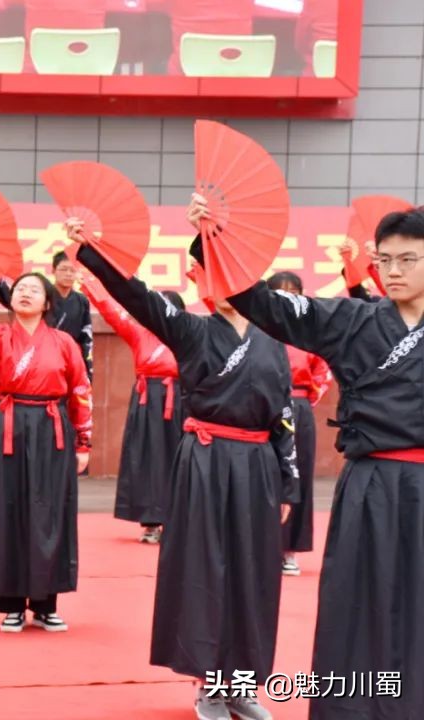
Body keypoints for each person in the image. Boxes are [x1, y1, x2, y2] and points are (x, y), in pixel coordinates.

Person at [71, 207, 298, 720]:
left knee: (253, 574)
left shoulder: (274, 340)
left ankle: (243, 684)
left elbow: (284, 416)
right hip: (207, 461)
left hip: (258, 467)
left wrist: (288, 482)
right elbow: (137, 296)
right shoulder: (191, 330)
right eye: (210, 267)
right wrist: (91, 251)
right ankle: (209, 687)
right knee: (206, 571)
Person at [220, 204, 424, 720]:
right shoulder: (350, 319)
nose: (394, 271)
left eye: (409, 260)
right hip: (371, 484)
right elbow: (259, 302)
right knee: (357, 603)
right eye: (386, 260)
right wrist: (216, 234)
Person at [0, 231, 92, 633]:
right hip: (10, 428)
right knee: (8, 510)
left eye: (34, 289)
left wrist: (83, 441)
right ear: (9, 299)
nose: (25, 293)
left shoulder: (65, 343)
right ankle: (11, 601)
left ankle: (46, 602)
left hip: (52, 430)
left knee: (50, 513)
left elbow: (80, 391)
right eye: (20, 289)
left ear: (49, 303)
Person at [81, 273, 184, 544]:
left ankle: (178, 520)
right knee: (147, 459)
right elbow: (112, 313)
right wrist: (93, 287)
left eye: (170, 307)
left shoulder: (189, 334)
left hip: (180, 402)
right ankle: (150, 521)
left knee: (179, 459)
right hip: (146, 402)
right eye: (160, 306)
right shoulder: (140, 333)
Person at [264, 271, 332, 577]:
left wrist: (304, 401)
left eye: (294, 292)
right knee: (264, 476)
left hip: (299, 407)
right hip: (264, 410)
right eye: (279, 293)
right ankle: (260, 546)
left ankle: (289, 549)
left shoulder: (310, 333)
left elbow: (323, 371)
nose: (287, 298)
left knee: (297, 476)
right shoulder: (258, 329)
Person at [0, 249, 94, 379]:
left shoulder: (82, 301)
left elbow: (86, 337)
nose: (68, 274)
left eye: (72, 270)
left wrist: (87, 371)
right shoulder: (43, 295)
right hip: (40, 358)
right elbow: (12, 299)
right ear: (53, 270)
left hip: (68, 359)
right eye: (63, 269)